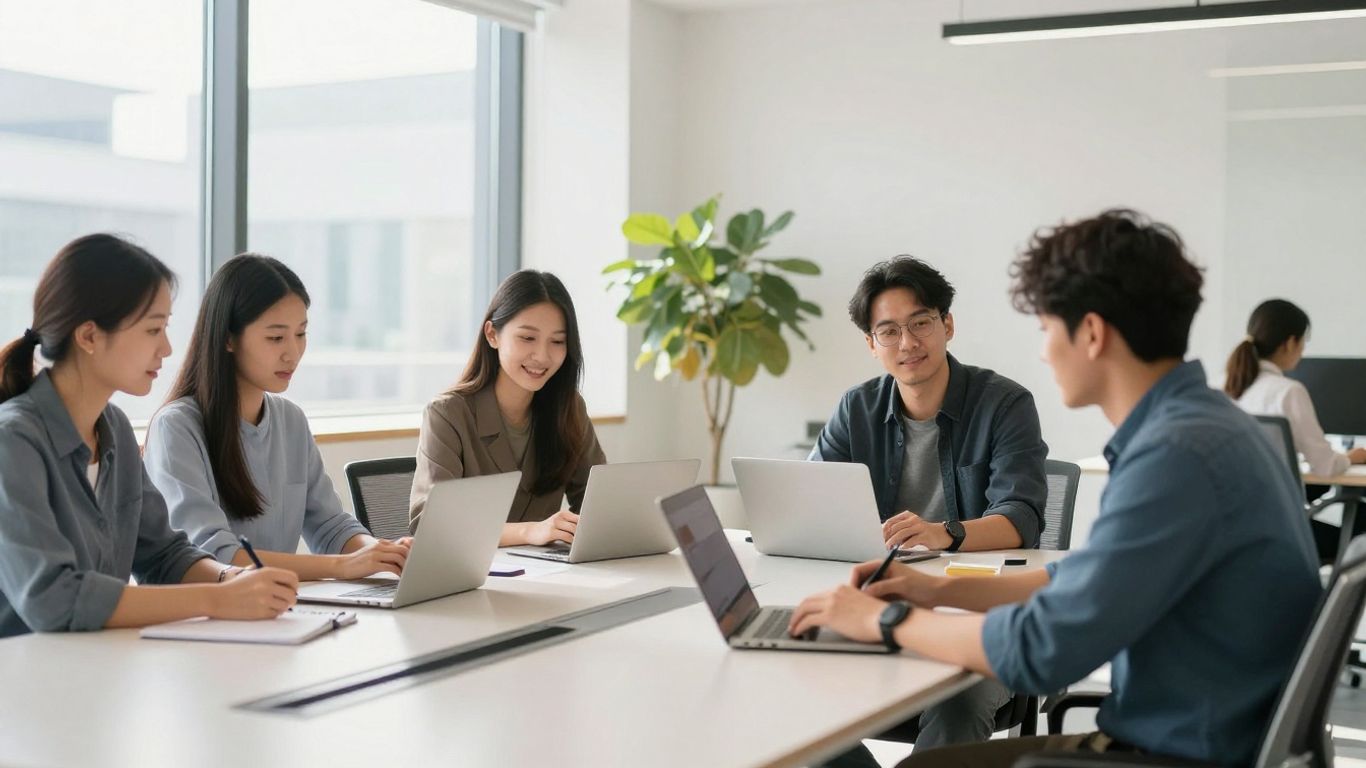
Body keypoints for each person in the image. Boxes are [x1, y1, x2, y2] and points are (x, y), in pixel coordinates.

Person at [789, 209, 1321, 767]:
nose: (1044, 352)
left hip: (1171, 754)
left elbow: (1041, 650)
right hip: (1198, 738)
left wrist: (885, 620)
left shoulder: (1175, 457)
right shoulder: (1200, 428)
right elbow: (1078, 581)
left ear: (1090, 333)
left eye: (1046, 329)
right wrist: (933, 591)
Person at [0, 234, 298, 638]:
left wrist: (231, 579)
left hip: (94, 671)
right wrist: (218, 599)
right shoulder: (13, 441)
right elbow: (54, 599)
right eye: (153, 329)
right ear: (88, 336)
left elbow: (165, 554)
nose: (168, 348)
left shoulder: (116, 431)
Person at [809, 255, 1048, 754]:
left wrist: (947, 531)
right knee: (788, 672)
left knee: (957, 700)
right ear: (872, 345)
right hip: (882, 600)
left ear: (948, 325)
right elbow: (812, 500)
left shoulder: (1004, 404)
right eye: (890, 331)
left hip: (977, 613)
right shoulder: (856, 409)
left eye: (921, 323)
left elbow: (1020, 518)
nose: (908, 343)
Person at [145, 254, 410, 581]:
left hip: (277, 609)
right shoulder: (176, 428)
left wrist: (383, 553)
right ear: (228, 338)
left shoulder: (291, 420)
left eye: (300, 334)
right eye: (276, 337)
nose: (293, 352)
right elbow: (215, 556)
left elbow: (330, 527)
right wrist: (344, 566)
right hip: (205, 620)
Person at [410, 269, 605, 546]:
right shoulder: (449, 413)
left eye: (558, 342)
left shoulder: (569, 408)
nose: (542, 356)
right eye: (527, 338)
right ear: (492, 335)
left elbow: (597, 502)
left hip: (548, 576)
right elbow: (430, 524)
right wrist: (530, 531)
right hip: (472, 578)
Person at [1224, 298, 1366, 562]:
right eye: (1302, 343)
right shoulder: (1288, 392)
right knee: (1361, 517)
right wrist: (1353, 457)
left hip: (1235, 528)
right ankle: (1339, 601)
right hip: (1282, 531)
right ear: (1290, 342)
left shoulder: (1226, 388)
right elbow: (1325, 467)